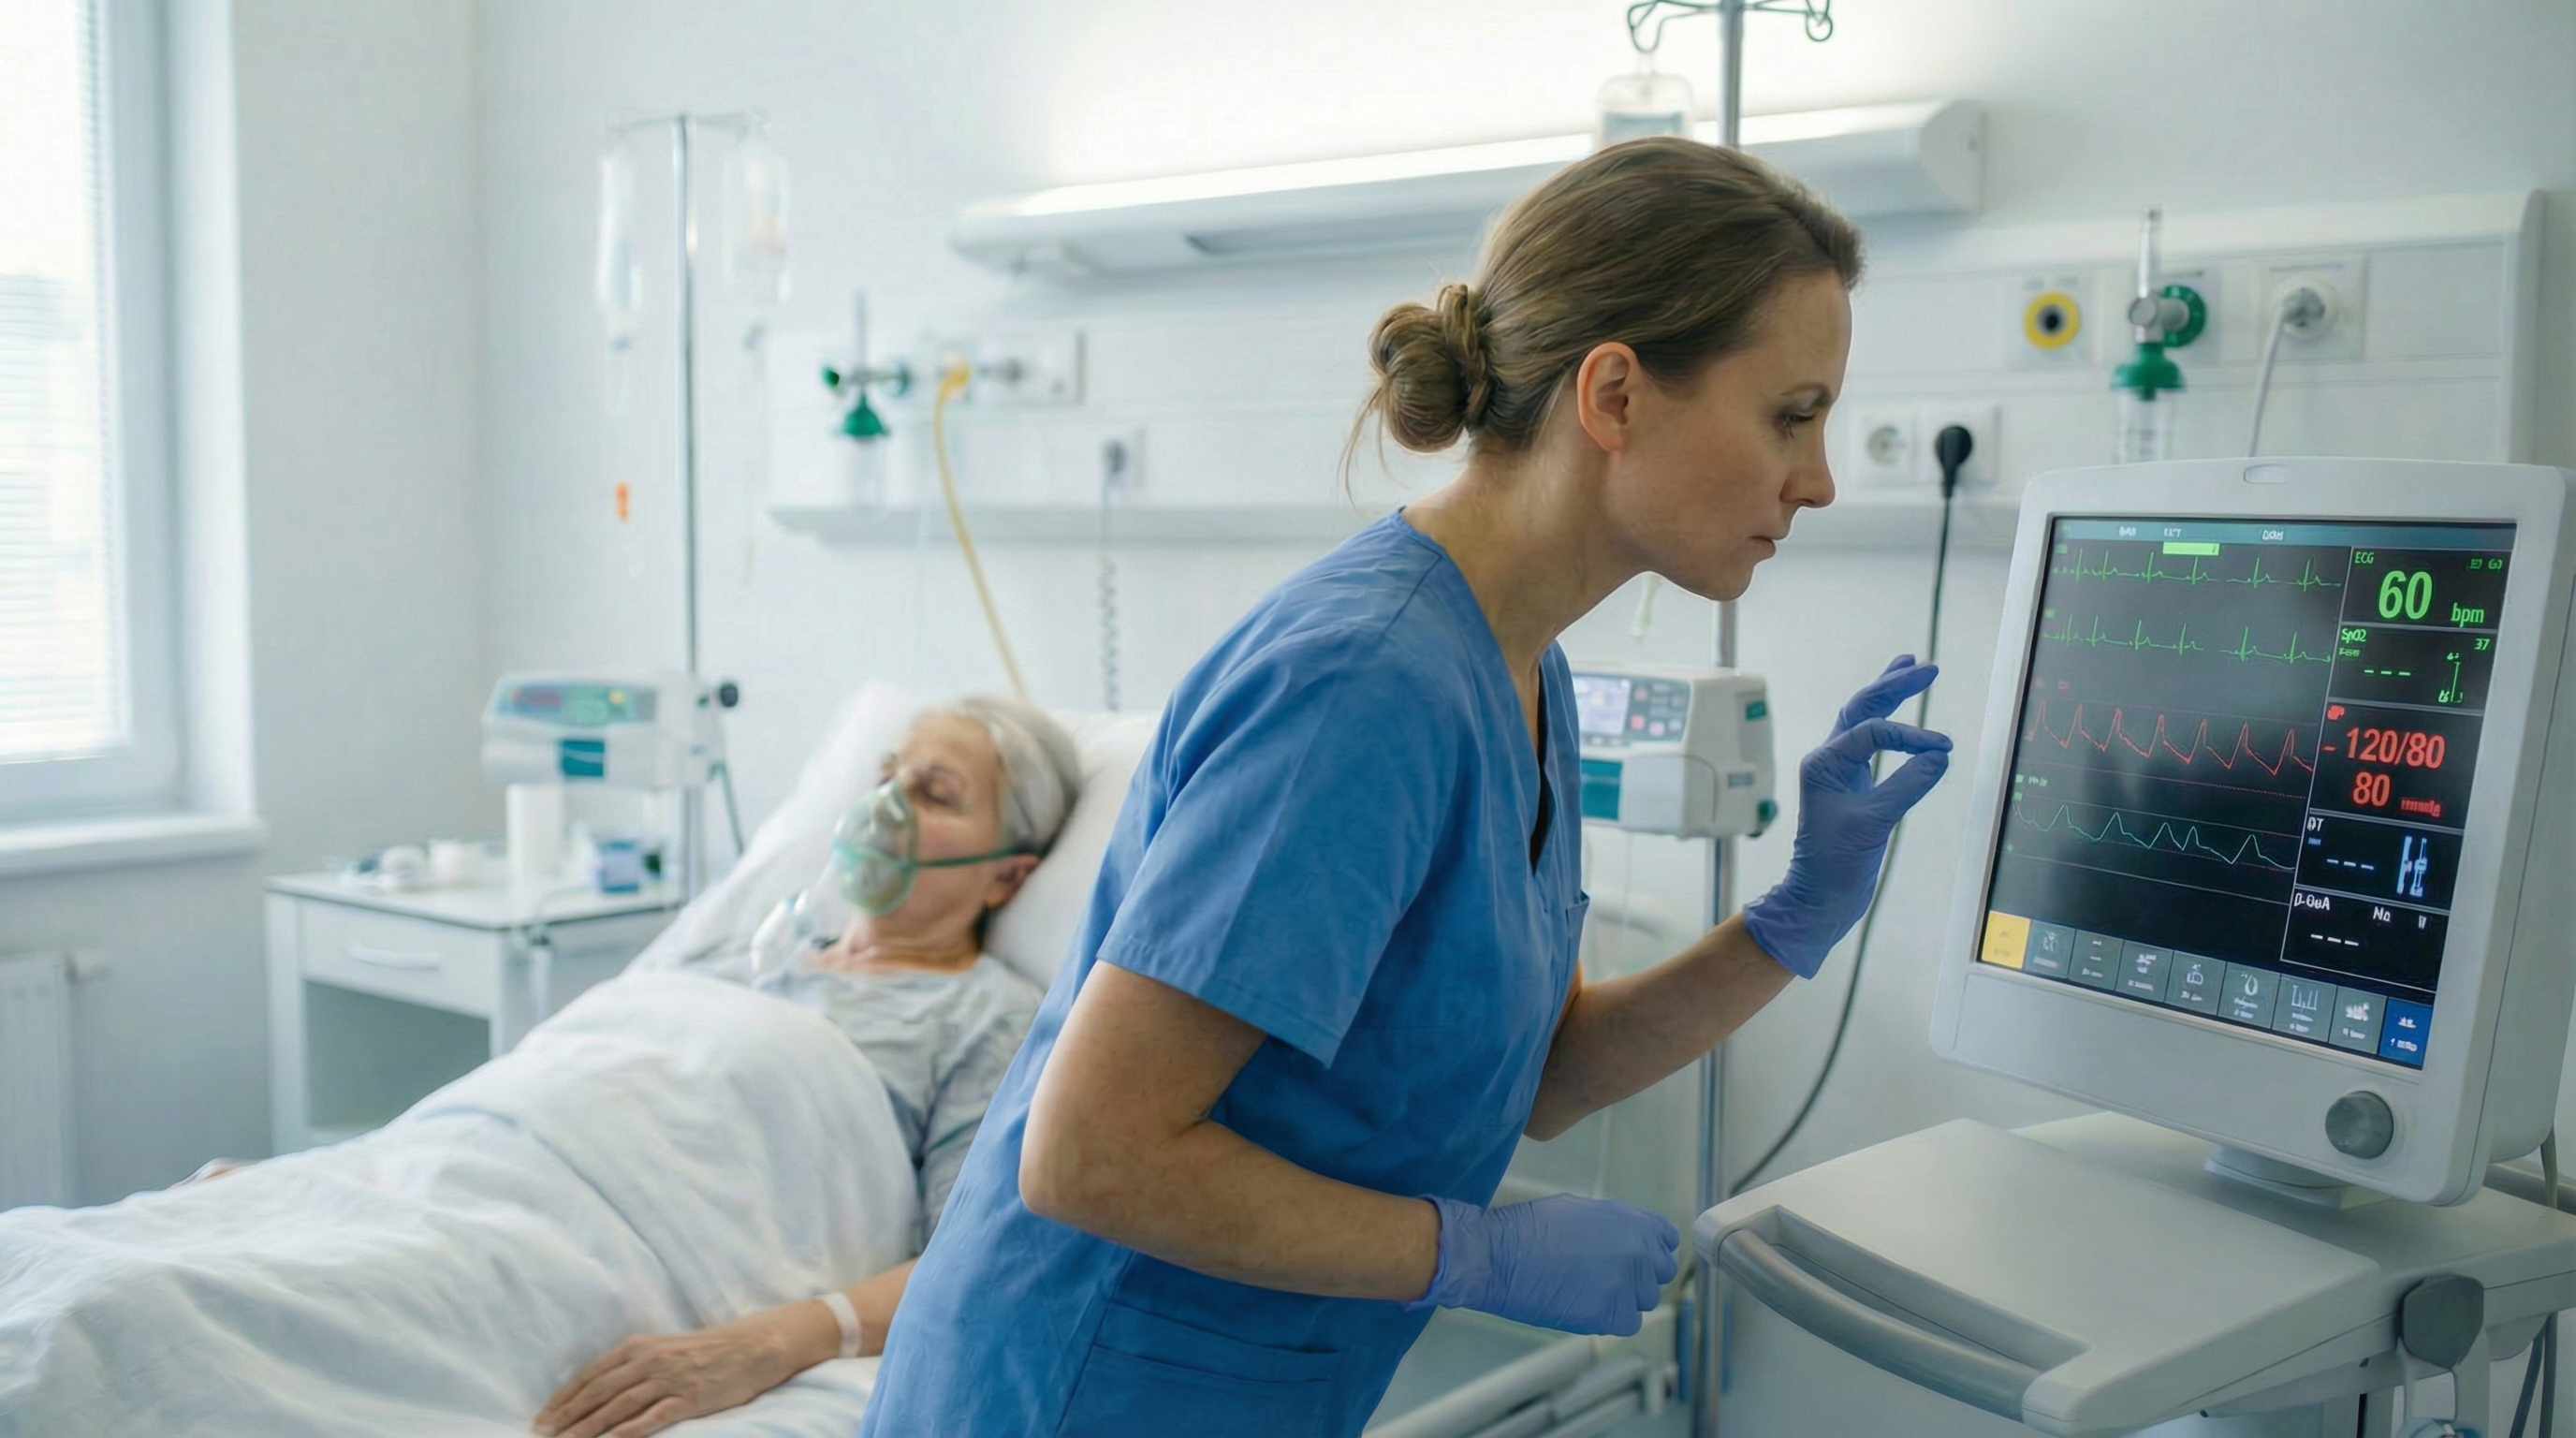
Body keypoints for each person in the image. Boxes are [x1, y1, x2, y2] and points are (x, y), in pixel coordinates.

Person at [863, 138, 1952, 1438]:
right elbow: (1091, 1155)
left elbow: (1531, 1074)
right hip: (1072, 1392)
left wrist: (1790, 923)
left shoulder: (1515, 669)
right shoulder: (1364, 690)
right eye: (1791, 413)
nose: (1819, 479)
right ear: (1615, 396)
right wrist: (1478, 1254)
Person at [527, 697, 1082, 1438]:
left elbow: (967, 1255)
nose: (886, 807)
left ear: (1007, 880)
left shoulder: (984, 1019)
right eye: (887, 776)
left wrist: (777, 1340)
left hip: (630, 1261)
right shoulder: (739, 956)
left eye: (935, 793)